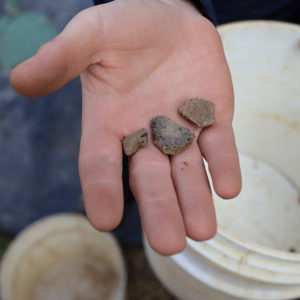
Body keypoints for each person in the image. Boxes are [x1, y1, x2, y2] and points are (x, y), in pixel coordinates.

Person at [8, 0, 300, 255]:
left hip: (272, 17)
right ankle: (125, 213)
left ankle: (130, 217)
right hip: (180, 18)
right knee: (125, 162)